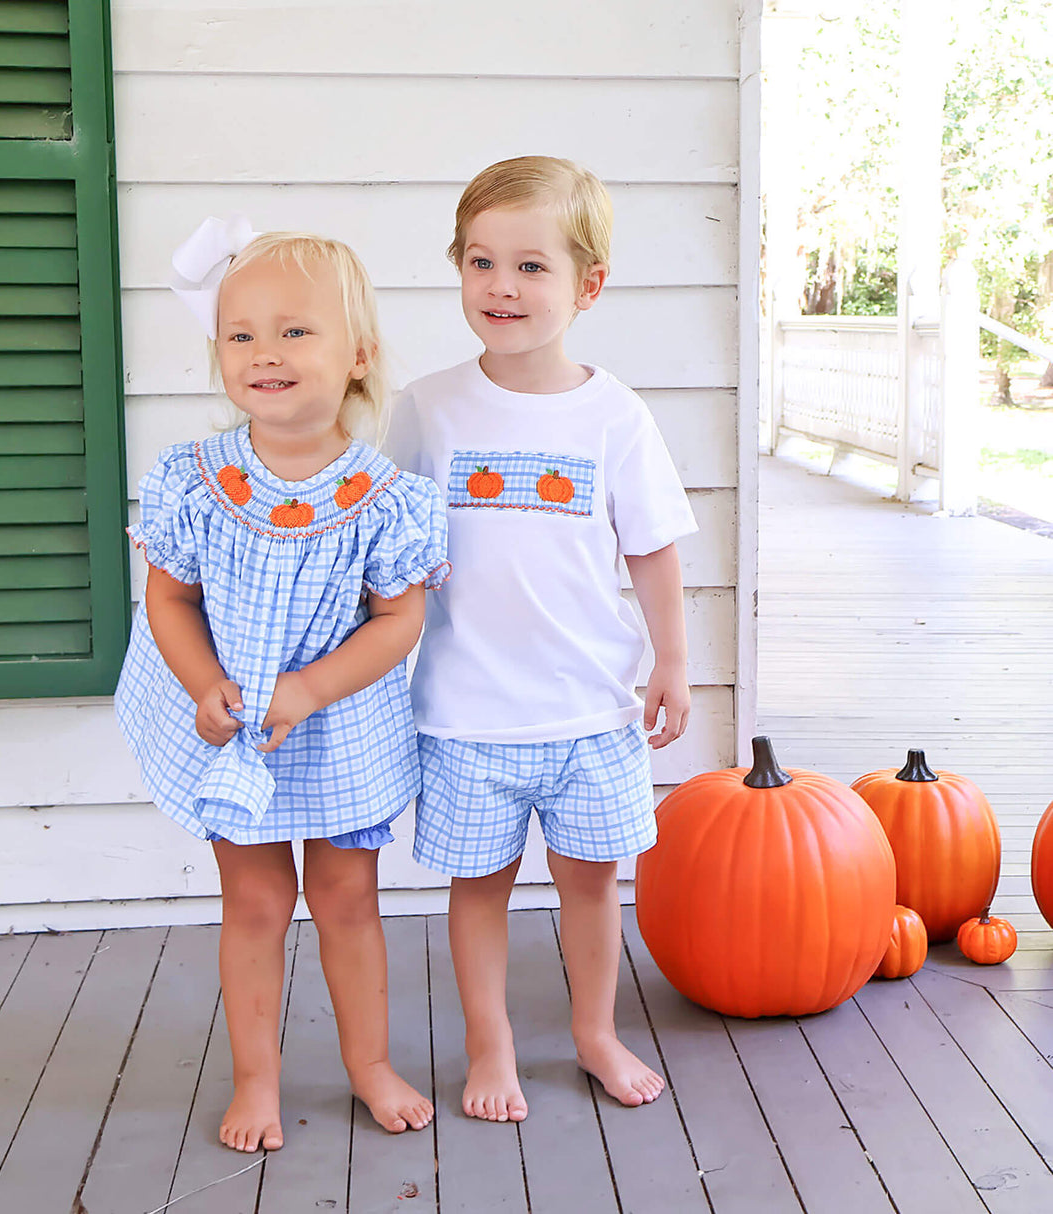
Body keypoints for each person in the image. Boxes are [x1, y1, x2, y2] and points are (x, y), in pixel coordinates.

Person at [115, 217, 447, 1152]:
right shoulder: (197, 480)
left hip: (337, 727)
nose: (266, 352)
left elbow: (399, 621)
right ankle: (256, 1079)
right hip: (230, 724)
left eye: (297, 331)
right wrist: (203, 682)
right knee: (256, 903)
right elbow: (169, 599)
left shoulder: (385, 498)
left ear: (357, 355)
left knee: (346, 900)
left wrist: (309, 687)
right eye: (242, 333)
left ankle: (370, 1065)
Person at [386, 157, 697, 1123]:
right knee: (477, 889)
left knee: (591, 887)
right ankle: (491, 1046)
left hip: (588, 710)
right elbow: (387, 539)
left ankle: (596, 1033)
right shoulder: (429, 407)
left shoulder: (613, 416)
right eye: (481, 263)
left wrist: (673, 665)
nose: (502, 288)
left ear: (587, 286)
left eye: (530, 267)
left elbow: (649, 548)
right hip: (468, 713)